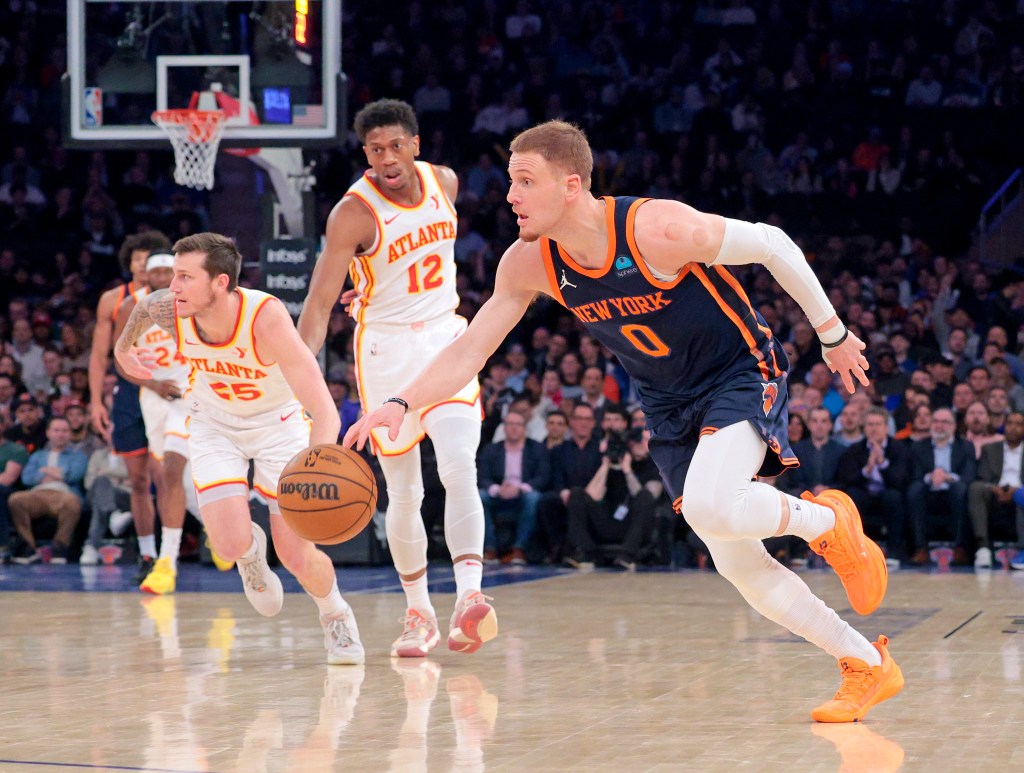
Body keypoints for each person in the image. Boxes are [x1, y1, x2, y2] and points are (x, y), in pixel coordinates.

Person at [347, 120, 903, 722]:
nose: (510, 195)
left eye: (526, 181)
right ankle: (866, 665)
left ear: (572, 185)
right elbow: (468, 351)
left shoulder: (655, 229)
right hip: (666, 401)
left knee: (716, 507)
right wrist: (403, 402)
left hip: (737, 371)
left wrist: (832, 333)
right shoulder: (530, 262)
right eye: (511, 181)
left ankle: (827, 520)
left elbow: (773, 243)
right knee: (735, 559)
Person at [297, 99, 496, 659]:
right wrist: (299, 374)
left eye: (394, 146)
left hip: (444, 339)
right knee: (405, 491)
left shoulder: (447, 184)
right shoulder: (351, 214)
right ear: (366, 154)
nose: (386, 158)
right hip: (385, 350)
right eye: (374, 149)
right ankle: (419, 613)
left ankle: (469, 599)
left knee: (460, 466)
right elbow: (317, 308)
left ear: (415, 144)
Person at [114, 232, 363, 665]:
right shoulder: (172, 310)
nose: (174, 287)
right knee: (227, 546)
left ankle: (335, 615)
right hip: (214, 424)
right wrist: (122, 350)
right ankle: (250, 557)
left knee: (295, 554)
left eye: (185, 278)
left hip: (278, 427)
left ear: (221, 283)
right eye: (174, 276)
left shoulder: (266, 320)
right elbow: (141, 308)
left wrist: (317, 464)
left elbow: (325, 410)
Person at [88, 230, 169, 584]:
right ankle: (148, 553)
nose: (144, 264)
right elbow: (100, 355)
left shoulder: (178, 298)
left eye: (150, 258)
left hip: (168, 393)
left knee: (168, 477)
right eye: (138, 258)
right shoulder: (116, 301)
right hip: (130, 394)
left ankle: (173, 551)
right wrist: (94, 401)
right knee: (138, 480)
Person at [115, 252, 192, 595]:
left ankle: (167, 562)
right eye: (156, 271)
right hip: (153, 396)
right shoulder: (133, 307)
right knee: (168, 477)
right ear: (147, 275)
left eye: (167, 271)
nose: (162, 277)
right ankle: (222, 532)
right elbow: (121, 359)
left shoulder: (192, 301)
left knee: (171, 472)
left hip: (190, 394)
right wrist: (153, 384)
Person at [9, 416, 88, 564]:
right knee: (16, 499)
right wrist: (56, 473)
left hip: (63, 494)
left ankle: (59, 546)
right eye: (56, 430)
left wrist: (46, 471)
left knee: (72, 501)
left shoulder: (79, 456)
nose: (60, 434)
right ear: (48, 433)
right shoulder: (37, 456)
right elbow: (27, 478)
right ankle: (28, 547)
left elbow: (74, 475)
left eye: (65, 431)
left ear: (70, 434)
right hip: (38, 494)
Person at [905, 407, 976, 566]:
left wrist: (947, 477)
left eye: (945, 422)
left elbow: (969, 476)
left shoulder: (965, 446)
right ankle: (920, 548)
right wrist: (931, 477)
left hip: (954, 492)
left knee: (961, 489)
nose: (940, 425)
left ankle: (960, 549)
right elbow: (914, 475)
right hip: (928, 492)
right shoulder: (918, 447)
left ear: (954, 426)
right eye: (936, 421)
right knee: (914, 490)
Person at [477, 410, 549, 565]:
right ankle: (490, 549)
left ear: (525, 428)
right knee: (480, 497)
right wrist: (497, 489)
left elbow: (543, 476)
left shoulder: (536, 448)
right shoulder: (492, 449)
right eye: (510, 424)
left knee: (533, 498)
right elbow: (483, 476)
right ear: (504, 428)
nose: (514, 428)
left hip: (522, 492)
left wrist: (520, 488)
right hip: (499, 493)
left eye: (518, 425)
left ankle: (519, 549)